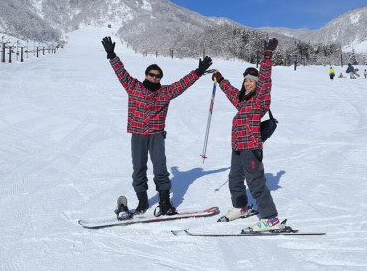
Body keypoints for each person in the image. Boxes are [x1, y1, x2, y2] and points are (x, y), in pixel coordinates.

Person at [101, 36, 212, 217]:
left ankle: (165, 202)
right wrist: (112, 55)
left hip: (156, 135)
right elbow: (121, 72)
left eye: (158, 76)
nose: (154, 78)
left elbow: (182, 84)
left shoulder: (165, 92)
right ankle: (143, 202)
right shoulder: (133, 87)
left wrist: (198, 72)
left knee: (160, 168)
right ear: (146, 75)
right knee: (139, 168)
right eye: (151, 75)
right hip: (138, 134)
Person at [211, 38, 281, 233]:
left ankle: (270, 218)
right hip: (237, 147)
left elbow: (265, 79)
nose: (248, 83)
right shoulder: (242, 100)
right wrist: (220, 79)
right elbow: (230, 91)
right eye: (246, 80)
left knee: (255, 181)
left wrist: (267, 56)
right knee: (234, 178)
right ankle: (241, 207)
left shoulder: (260, 99)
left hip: (251, 147)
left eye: (252, 81)